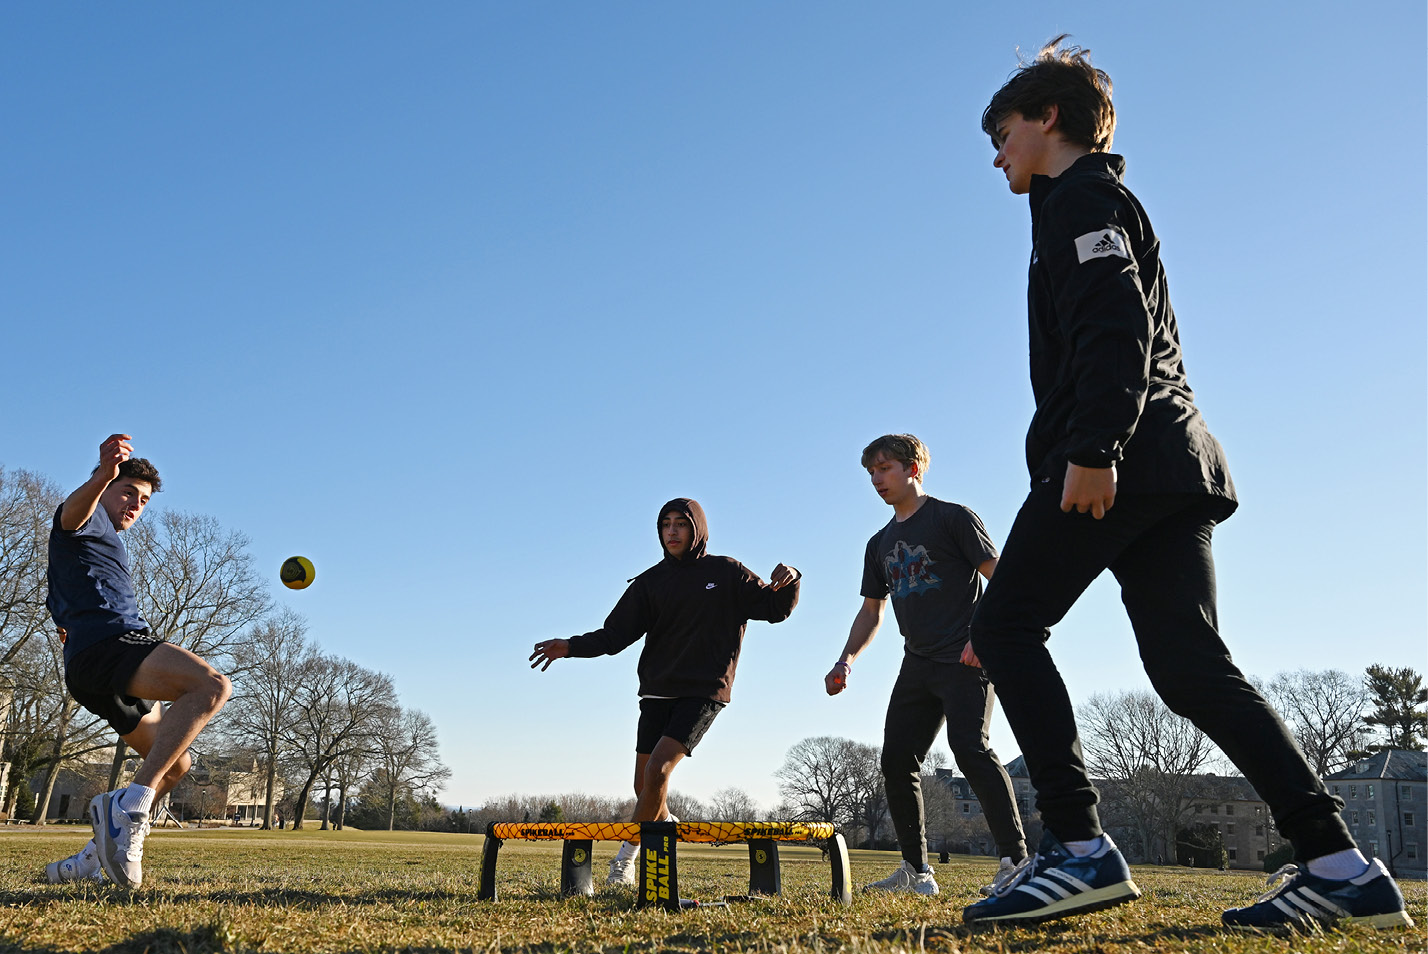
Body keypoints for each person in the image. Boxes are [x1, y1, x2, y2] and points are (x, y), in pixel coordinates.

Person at [960, 38, 1412, 932]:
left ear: (1049, 118)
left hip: (1121, 458)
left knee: (1004, 626)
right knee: (1191, 669)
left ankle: (1078, 848)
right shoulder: (1091, 202)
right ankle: (1338, 865)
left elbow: (1116, 326)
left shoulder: (1078, 196)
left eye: (1003, 132)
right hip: (1174, 464)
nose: (997, 154)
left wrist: (1095, 447)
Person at [530, 497, 799, 885]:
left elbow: (774, 608)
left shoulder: (726, 572)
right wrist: (570, 646)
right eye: (665, 525)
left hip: (704, 690)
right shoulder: (650, 583)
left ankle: (626, 859)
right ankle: (666, 822)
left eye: (681, 524)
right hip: (656, 692)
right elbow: (614, 635)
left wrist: (792, 577)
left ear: (697, 529)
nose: (672, 532)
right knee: (644, 786)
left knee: (659, 769)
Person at [825, 434, 1026, 897]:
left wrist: (983, 635)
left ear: (914, 468)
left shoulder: (953, 518)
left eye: (885, 468)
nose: (876, 479)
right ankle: (915, 872)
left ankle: (1016, 862)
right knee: (896, 760)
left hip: (964, 655)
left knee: (970, 748)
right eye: (871, 472)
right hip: (917, 662)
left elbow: (1003, 578)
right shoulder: (879, 544)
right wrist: (846, 660)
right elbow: (871, 611)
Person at [45, 434, 232, 889]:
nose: (135, 503)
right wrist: (103, 474)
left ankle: (91, 858)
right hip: (111, 647)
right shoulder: (87, 520)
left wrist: (64, 620)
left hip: (97, 664)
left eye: (144, 500)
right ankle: (129, 807)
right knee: (211, 686)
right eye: (128, 491)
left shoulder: (102, 542)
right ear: (105, 486)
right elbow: (70, 514)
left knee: (177, 763)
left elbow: (61, 595)